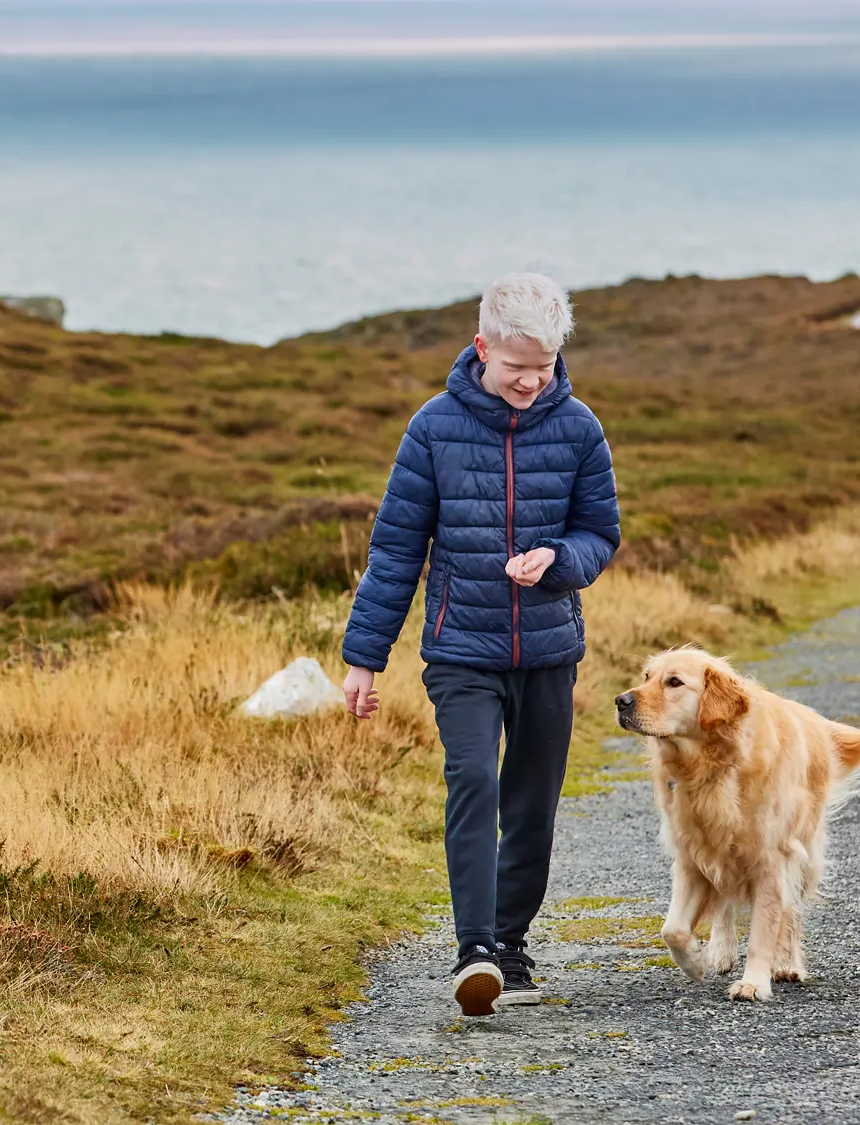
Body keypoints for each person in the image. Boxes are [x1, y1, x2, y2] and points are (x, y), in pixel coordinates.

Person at [340, 271, 620, 1016]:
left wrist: (560, 562)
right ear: (481, 347)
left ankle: (511, 941)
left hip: (549, 650)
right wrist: (364, 658)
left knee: (532, 801)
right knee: (474, 779)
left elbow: (600, 533)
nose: (531, 380)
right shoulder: (433, 427)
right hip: (460, 647)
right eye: (515, 365)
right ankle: (475, 950)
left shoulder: (580, 427)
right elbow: (397, 549)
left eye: (544, 366)